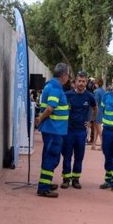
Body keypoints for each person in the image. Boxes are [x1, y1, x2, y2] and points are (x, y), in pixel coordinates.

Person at [34, 63, 70, 198]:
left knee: (48, 156)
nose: (68, 77)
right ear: (64, 75)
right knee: (52, 157)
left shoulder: (50, 85)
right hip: (54, 129)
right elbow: (50, 108)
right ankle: (43, 188)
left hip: (52, 129)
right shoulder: (55, 88)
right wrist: (40, 119)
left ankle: (46, 183)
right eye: (68, 75)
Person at [61, 71, 97, 189]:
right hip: (68, 130)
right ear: (75, 82)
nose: (81, 83)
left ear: (86, 82)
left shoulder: (90, 96)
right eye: (79, 81)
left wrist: (91, 121)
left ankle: (76, 179)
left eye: (83, 81)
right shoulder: (67, 95)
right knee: (67, 155)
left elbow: (95, 108)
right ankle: (66, 178)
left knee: (79, 156)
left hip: (81, 132)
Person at [92, 78, 105, 151]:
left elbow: (95, 103)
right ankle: (93, 144)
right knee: (96, 128)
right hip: (102, 110)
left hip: (97, 111)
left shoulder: (96, 91)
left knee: (98, 129)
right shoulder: (103, 91)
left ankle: (103, 145)